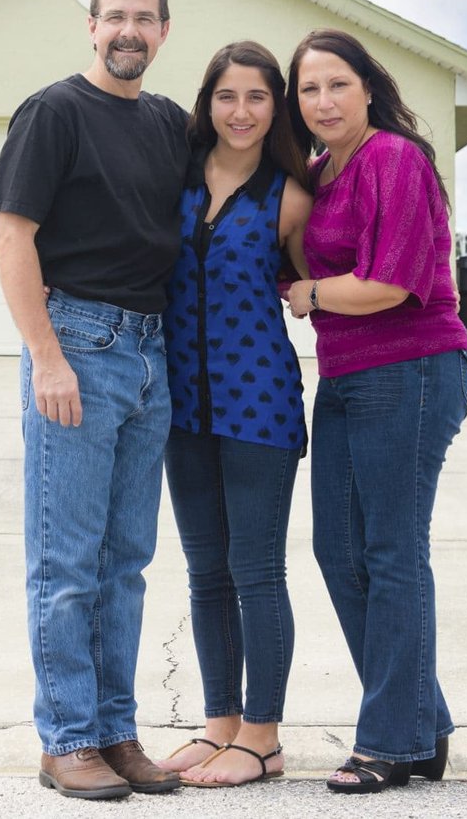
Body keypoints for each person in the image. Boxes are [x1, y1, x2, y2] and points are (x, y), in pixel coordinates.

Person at [0, 0, 189, 800]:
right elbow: (10, 236)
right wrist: (46, 354)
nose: (128, 31)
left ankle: (113, 729)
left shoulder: (171, 125)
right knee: (66, 560)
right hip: (77, 341)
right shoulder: (54, 112)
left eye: (144, 18)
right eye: (114, 17)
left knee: (126, 561)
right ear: (91, 26)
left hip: (150, 352)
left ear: (164, 31)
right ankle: (65, 736)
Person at [283, 28, 467, 794]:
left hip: (414, 366)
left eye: (336, 84)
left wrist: (312, 293)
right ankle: (424, 726)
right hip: (348, 374)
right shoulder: (324, 170)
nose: (322, 100)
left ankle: (389, 742)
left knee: (392, 550)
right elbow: (305, 254)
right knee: (340, 549)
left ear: (368, 86)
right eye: (308, 89)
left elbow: (390, 283)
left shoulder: (394, 157)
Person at [156, 41, 313, 787]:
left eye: (257, 96)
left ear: (275, 106)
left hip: (261, 407)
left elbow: (323, 276)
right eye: (227, 95)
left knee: (256, 569)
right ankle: (220, 723)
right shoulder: (175, 178)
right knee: (204, 570)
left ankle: (263, 734)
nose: (241, 111)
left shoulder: (290, 195)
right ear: (207, 102)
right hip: (181, 404)